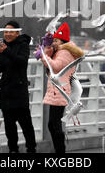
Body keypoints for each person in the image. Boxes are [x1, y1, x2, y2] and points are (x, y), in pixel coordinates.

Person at [39, 22, 84, 153]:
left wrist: (44, 56)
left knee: (54, 124)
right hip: (58, 90)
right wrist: (48, 49)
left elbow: (55, 66)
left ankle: (60, 151)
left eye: (56, 40)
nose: (54, 43)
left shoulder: (64, 52)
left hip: (59, 91)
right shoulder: (64, 51)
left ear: (63, 41)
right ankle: (59, 150)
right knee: (53, 124)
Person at [0, 21, 37, 153]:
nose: (8, 34)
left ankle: (31, 149)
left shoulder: (23, 45)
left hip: (19, 90)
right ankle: (13, 150)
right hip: (6, 91)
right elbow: (1, 69)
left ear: (17, 33)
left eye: (11, 31)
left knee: (26, 124)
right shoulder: (3, 46)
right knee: (9, 126)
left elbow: (22, 62)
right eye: (5, 32)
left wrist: (6, 51)